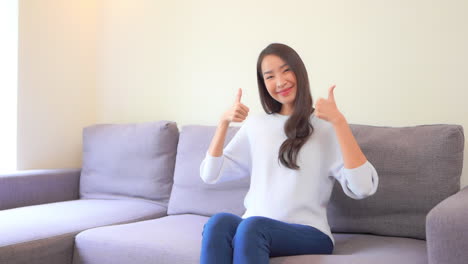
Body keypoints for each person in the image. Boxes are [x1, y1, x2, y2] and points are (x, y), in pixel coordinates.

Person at [199, 43, 379, 264]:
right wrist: (223, 123)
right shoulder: (256, 125)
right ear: (263, 84)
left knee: (252, 227)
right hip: (254, 228)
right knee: (219, 223)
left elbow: (363, 187)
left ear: (299, 71)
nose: (280, 81)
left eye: (286, 70)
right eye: (270, 76)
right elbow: (210, 174)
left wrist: (339, 122)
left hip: (309, 233)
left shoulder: (325, 126)